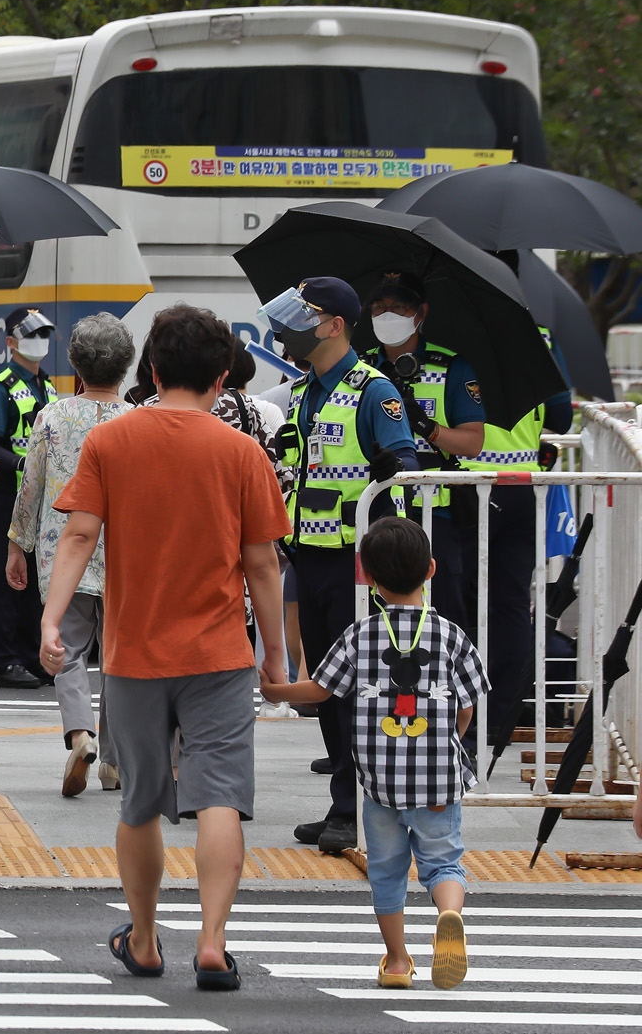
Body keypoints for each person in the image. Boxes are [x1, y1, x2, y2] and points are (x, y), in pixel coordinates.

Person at [40, 304, 289, 991]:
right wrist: (275, 654)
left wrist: (52, 618)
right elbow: (263, 563)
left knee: (142, 801)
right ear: (220, 378)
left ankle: (145, 939)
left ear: (150, 370)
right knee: (219, 798)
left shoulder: (112, 443)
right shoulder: (241, 451)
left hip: (134, 654)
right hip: (218, 654)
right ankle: (212, 941)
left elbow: (80, 535)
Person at [260, 517, 484, 990]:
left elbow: (320, 691)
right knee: (443, 862)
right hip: (439, 780)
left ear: (367, 578)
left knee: (386, 871)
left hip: (380, 784)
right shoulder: (451, 635)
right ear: (432, 570)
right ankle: (449, 913)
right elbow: (466, 708)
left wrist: (278, 692)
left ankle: (398, 961)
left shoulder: (359, 636)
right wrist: (453, 741)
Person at [263, 276, 418, 855]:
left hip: (357, 566)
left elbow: (404, 464)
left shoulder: (373, 391)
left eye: (306, 316)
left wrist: (391, 465)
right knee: (329, 687)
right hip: (311, 555)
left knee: (360, 690)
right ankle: (342, 802)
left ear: (334, 326)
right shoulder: (306, 391)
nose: (291, 328)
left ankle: (357, 809)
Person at [7, 312, 132, 797]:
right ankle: (115, 762)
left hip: (65, 554)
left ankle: (81, 734)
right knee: (119, 656)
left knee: (67, 649)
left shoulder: (52, 416)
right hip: (124, 556)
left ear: (75, 364)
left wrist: (18, 543)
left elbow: (31, 486)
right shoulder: (138, 419)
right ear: (126, 367)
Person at [462, 251, 573, 760]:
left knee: (458, 603)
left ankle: (456, 713)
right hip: (521, 487)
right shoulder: (539, 337)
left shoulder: (453, 337)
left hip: (461, 488)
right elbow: (562, 417)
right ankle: (500, 717)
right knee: (509, 604)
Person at [358, 272, 485, 635]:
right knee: (375, 611)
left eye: (398, 306)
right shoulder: (360, 369)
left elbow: (473, 442)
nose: (387, 314)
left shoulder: (453, 369)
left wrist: (428, 429)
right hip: (377, 509)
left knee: (445, 609)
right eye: (380, 307)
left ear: (420, 312)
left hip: (437, 511)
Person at [0, 306, 55, 689]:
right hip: (11, 493)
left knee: (36, 581)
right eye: (30, 335)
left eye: (43, 334)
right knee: (7, 580)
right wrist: (20, 462)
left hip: (44, 497)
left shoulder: (50, 386)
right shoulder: (2, 387)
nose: (39, 342)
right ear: (10, 342)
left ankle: (30, 656)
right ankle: (6, 661)